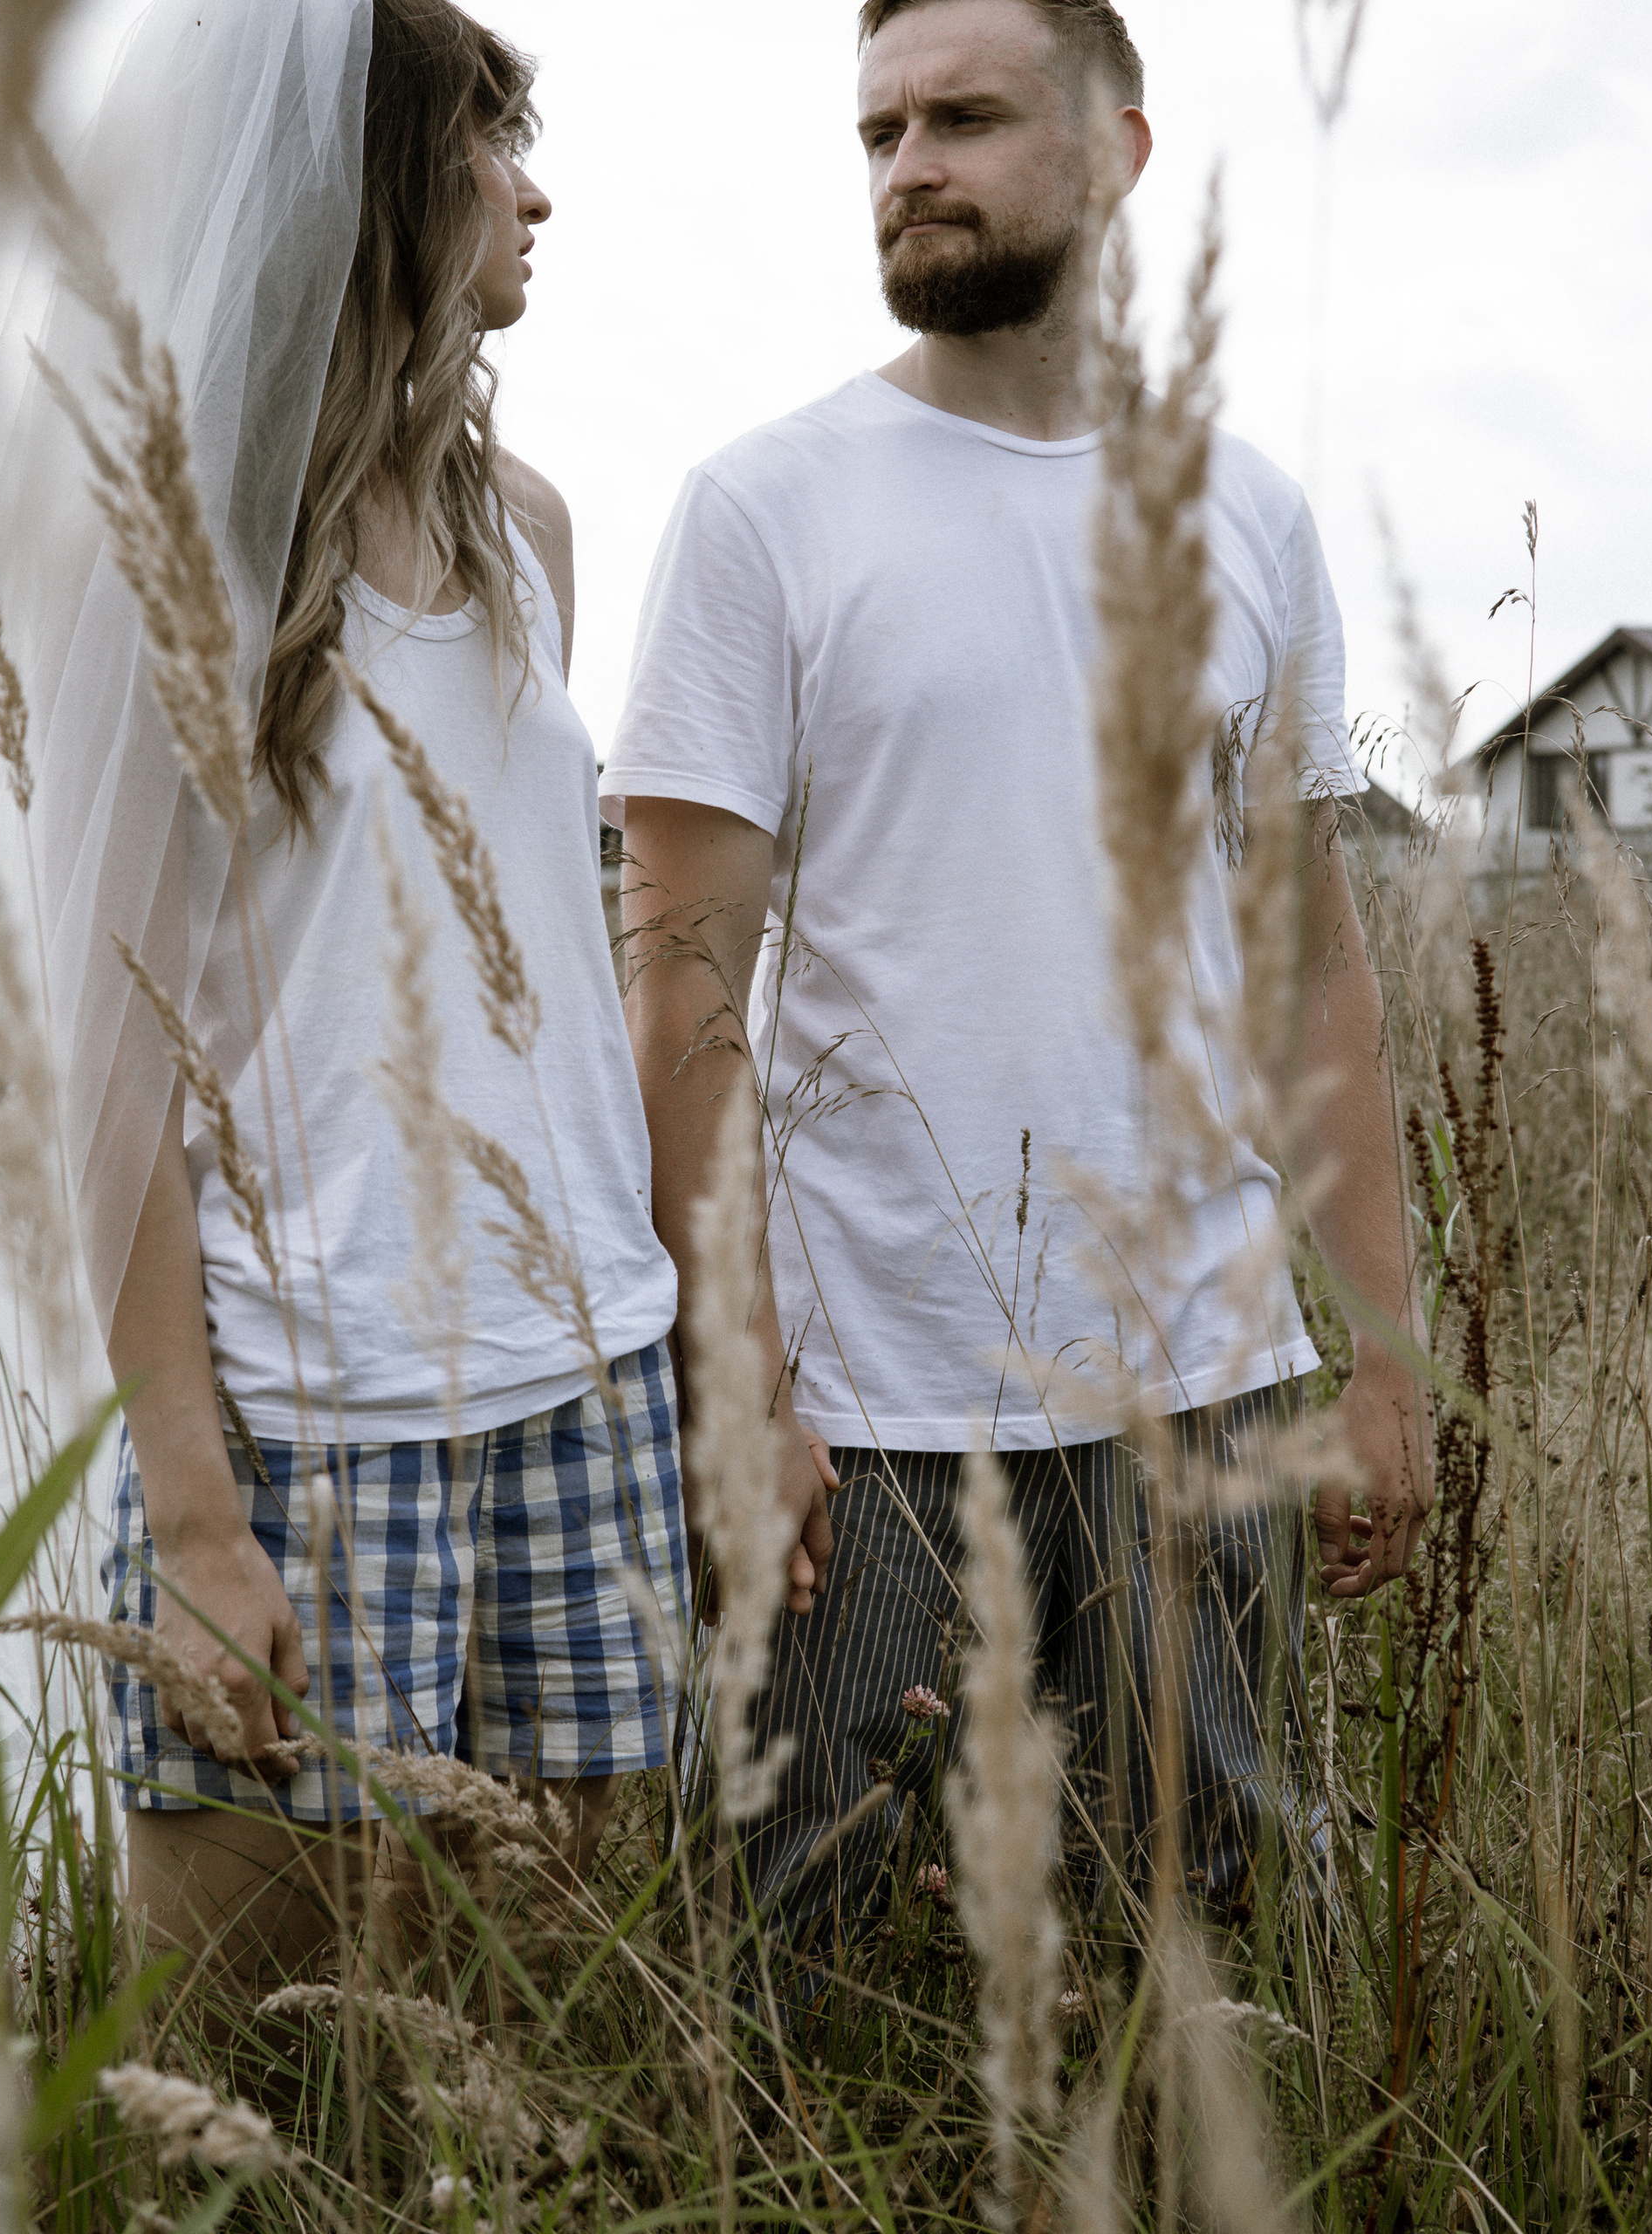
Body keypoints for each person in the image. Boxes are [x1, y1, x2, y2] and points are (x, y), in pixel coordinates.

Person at [607, 0, 1433, 1953]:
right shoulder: (762, 507)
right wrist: (745, 1387)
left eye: (963, 118)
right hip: (873, 1391)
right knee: (812, 1935)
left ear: (1119, 151)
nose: (909, 167)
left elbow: (1309, 964)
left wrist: (1380, 1357)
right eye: (880, 131)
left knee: (1202, 1936)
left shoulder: (1244, 515)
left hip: (1207, 1382)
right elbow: (683, 989)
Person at [48, 0, 705, 1984]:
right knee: (249, 2037)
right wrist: (187, 1508)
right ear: (369, 194)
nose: (536, 190)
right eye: (489, 144)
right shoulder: (188, 554)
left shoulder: (534, 539)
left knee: (527, 2007)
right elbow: (98, 1074)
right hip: (306, 1402)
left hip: (581, 1364)